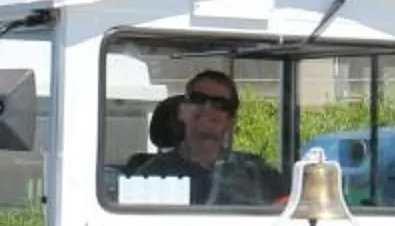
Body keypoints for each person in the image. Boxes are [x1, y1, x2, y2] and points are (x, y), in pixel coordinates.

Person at [120, 70, 282, 207]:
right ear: (182, 111)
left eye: (220, 104)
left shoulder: (256, 171)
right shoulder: (152, 174)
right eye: (198, 99)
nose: (207, 108)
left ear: (231, 120)